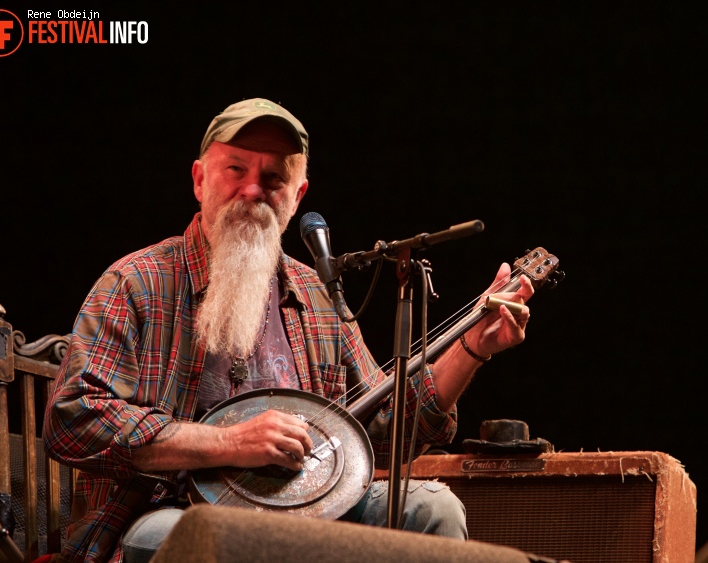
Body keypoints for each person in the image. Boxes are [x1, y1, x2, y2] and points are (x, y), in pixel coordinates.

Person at [43, 98, 533, 563]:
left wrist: (471, 347)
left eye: (273, 177)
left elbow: (384, 435)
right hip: (170, 513)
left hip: (313, 509)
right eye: (236, 169)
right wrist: (229, 443)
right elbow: (72, 419)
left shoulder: (317, 294)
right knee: (187, 538)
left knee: (432, 508)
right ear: (199, 179)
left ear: (296, 197)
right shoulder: (137, 282)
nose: (253, 190)